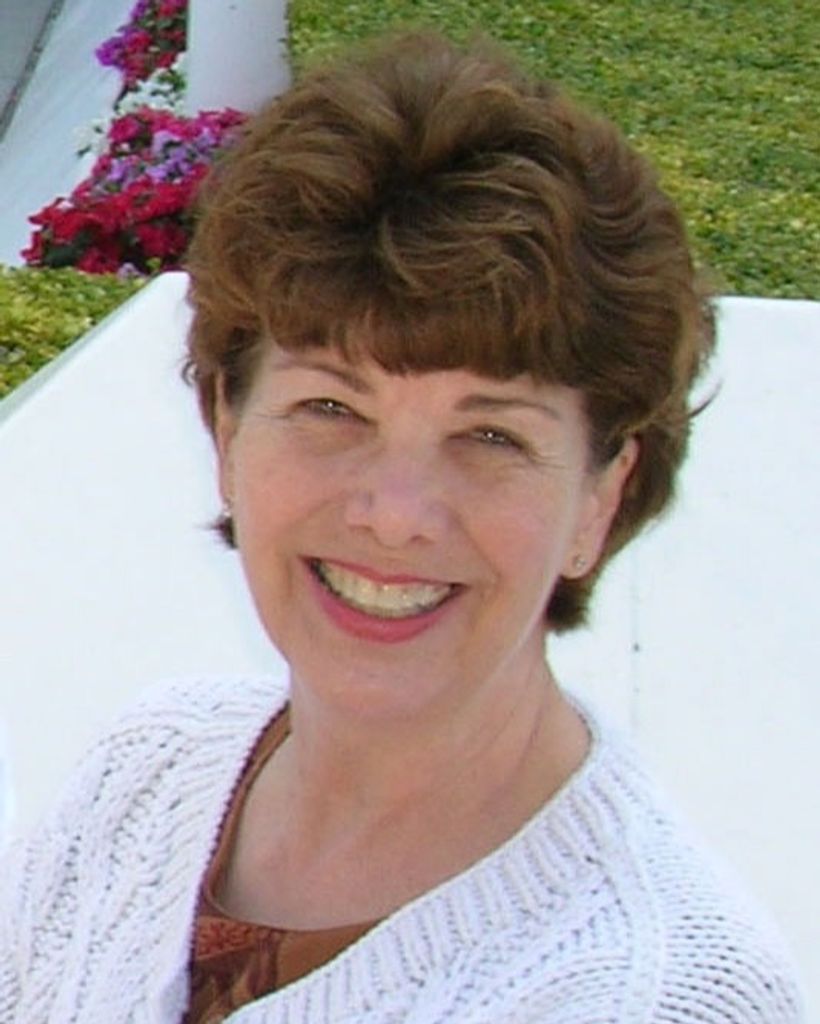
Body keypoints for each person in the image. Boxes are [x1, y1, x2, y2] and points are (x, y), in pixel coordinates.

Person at [0, 30, 803, 1024]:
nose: (394, 514)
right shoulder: (148, 770)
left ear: (602, 495)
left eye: (491, 435)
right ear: (227, 432)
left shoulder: (657, 995)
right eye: (331, 409)